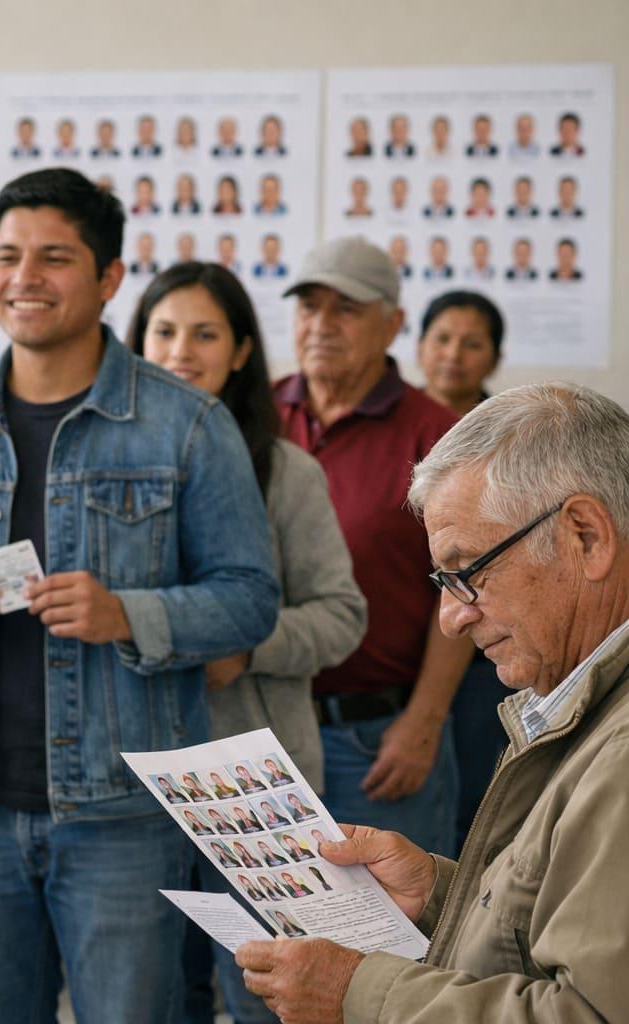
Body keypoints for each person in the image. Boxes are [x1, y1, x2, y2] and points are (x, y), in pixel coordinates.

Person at [0, 168, 279, 1024]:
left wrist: (130, 613)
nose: (25, 277)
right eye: (8, 255)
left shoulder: (188, 425)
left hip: (123, 815)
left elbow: (250, 600)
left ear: (109, 278)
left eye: (54, 258)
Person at [239, 382, 629, 1024]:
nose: (451, 617)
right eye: (443, 582)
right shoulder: (580, 701)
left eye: (468, 571)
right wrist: (441, 895)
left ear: (586, 536)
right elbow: (568, 935)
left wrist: (357, 992)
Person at [276, 236, 471, 860]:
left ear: (392, 323)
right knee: (260, 943)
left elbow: (464, 584)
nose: (321, 327)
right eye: (309, 307)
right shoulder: (256, 416)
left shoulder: (435, 431)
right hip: (263, 729)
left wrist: (424, 720)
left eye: (346, 310)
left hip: (376, 739)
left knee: (391, 942)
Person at [417, 290, 503, 419]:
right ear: (420, 349)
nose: (453, 355)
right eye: (442, 339)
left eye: (472, 344)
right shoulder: (391, 419)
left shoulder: (512, 431)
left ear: (495, 360)